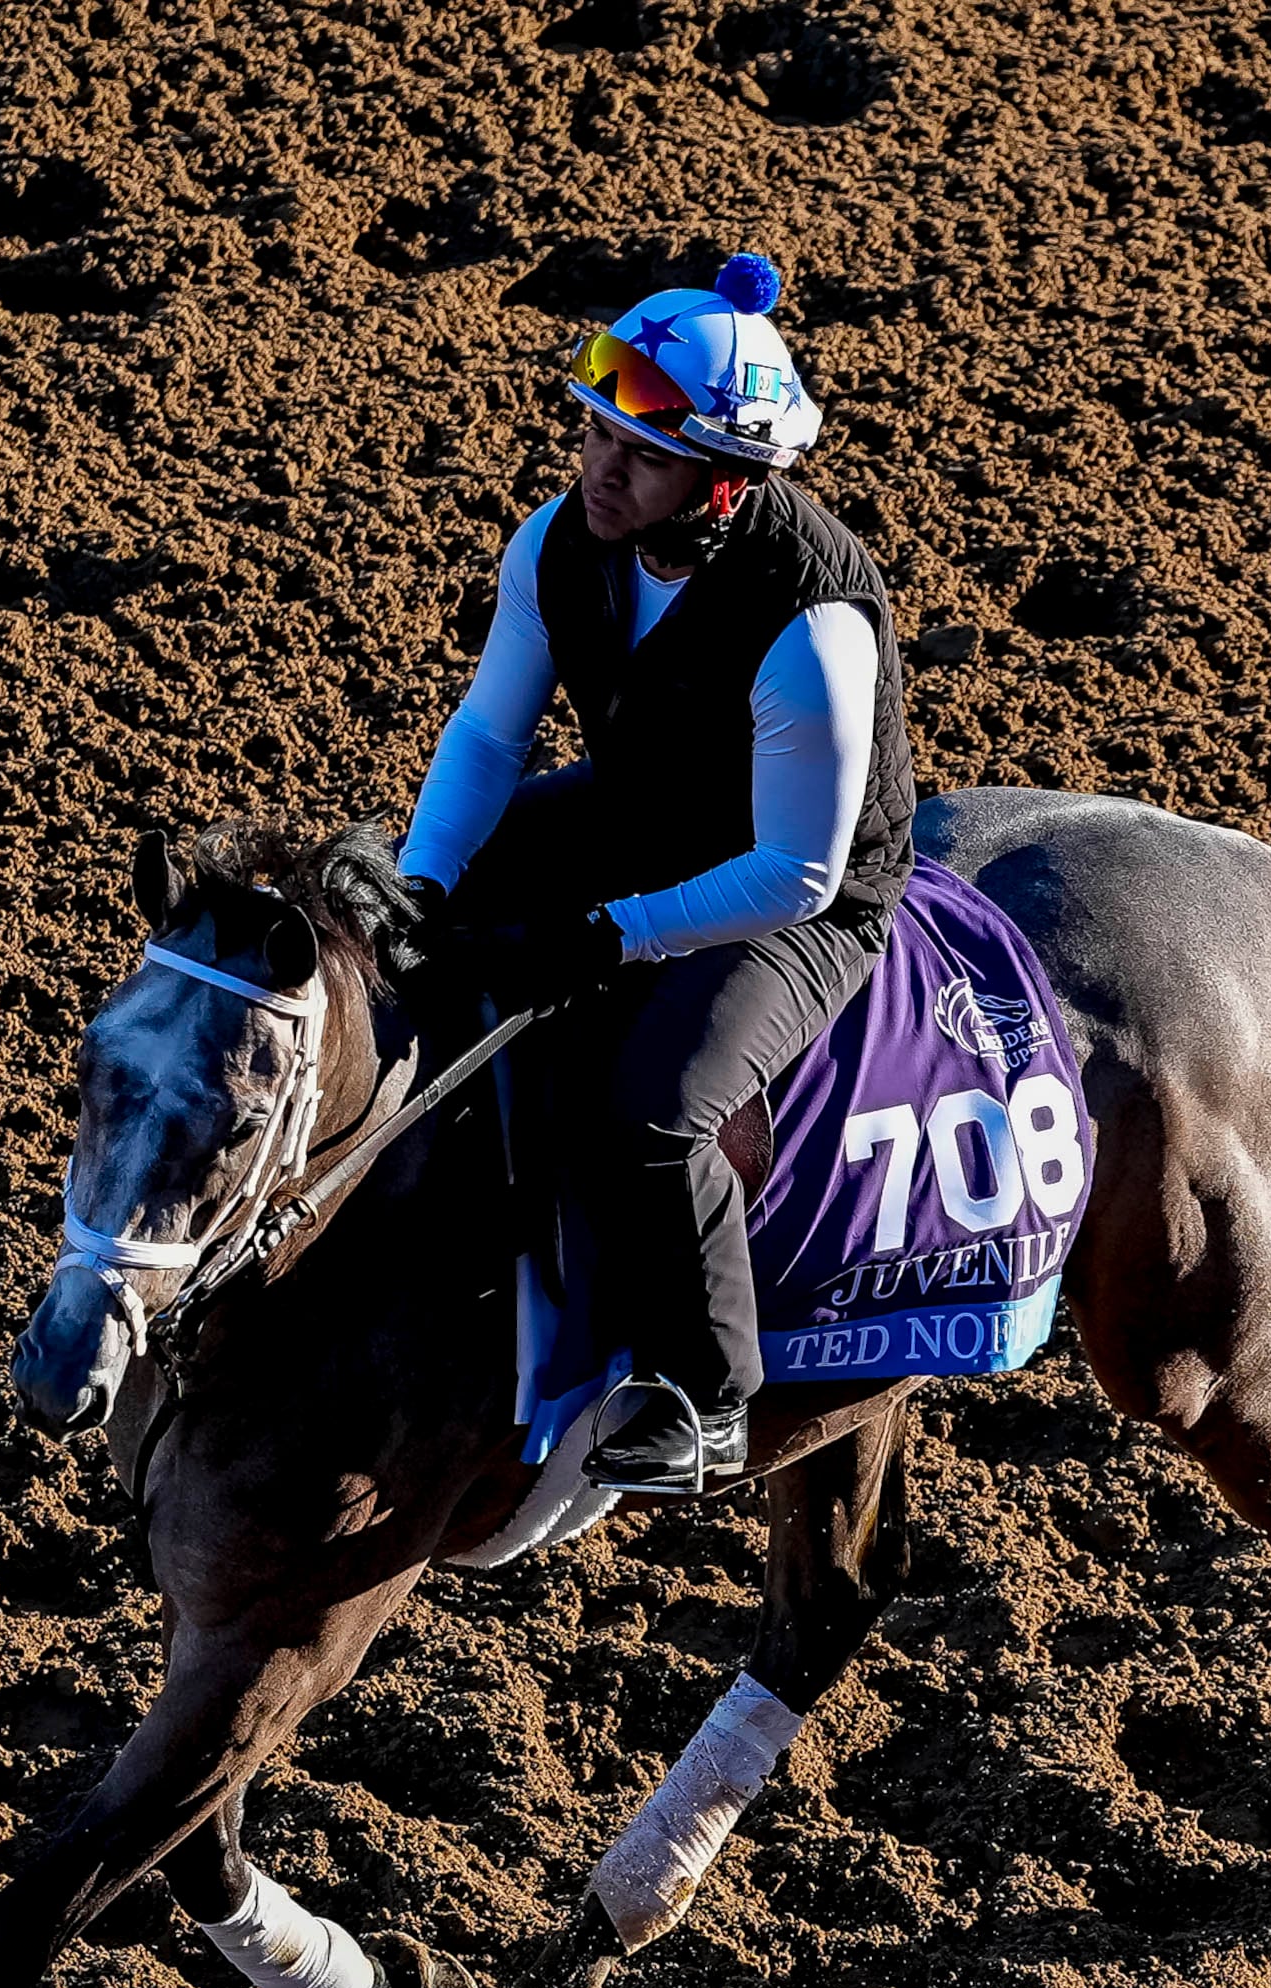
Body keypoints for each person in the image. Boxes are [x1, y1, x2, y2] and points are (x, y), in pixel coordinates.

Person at [403, 251, 921, 1495]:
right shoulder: (555, 543)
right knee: (399, 903)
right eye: (592, 435)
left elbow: (794, 874)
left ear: (727, 483)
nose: (599, 469)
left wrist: (602, 936)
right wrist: (421, 885)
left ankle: (705, 1391)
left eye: (640, 453)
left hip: (799, 891)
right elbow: (488, 734)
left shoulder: (811, 619)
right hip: (640, 812)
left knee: (652, 1100)